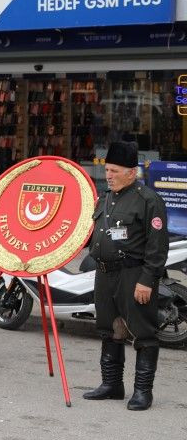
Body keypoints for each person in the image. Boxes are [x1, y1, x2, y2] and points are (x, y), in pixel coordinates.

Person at [83, 141, 169, 411]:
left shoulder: (148, 201)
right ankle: (112, 385)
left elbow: (157, 247)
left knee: (143, 333)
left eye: (115, 170)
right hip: (105, 274)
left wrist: (147, 280)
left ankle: (143, 392)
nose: (108, 175)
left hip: (134, 275)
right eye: (107, 169)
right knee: (109, 329)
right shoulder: (105, 198)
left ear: (132, 172)